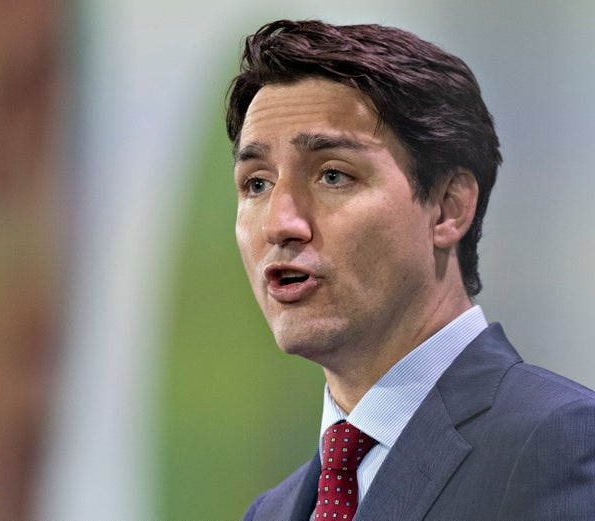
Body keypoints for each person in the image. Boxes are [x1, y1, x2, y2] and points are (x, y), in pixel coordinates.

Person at [226, 19, 595, 521]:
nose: (279, 223)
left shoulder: (561, 442)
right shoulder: (270, 511)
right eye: (256, 184)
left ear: (448, 207)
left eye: (333, 175)